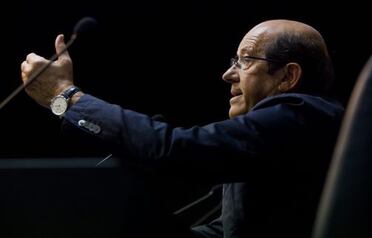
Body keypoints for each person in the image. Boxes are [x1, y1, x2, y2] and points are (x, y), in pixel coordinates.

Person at [20, 19, 344, 238]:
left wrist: (67, 96)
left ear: (288, 77)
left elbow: (175, 149)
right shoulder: (281, 133)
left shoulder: (302, 114)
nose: (228, 75)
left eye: (244, 61)